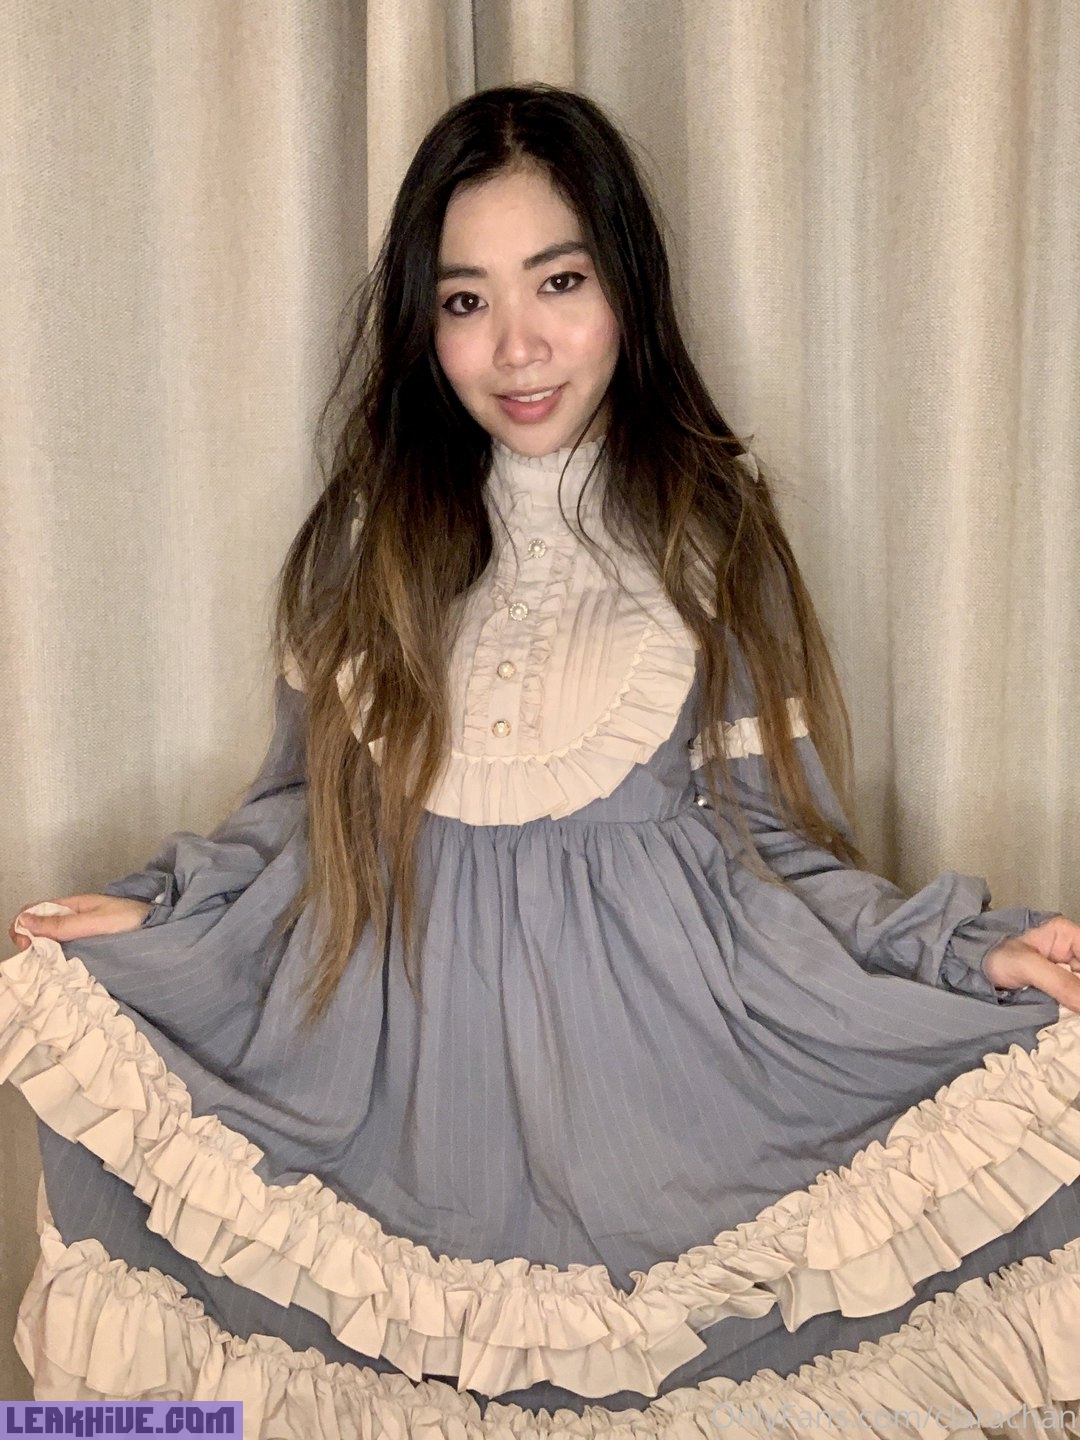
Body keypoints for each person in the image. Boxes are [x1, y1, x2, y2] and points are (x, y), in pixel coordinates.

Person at [4, 82, 1080, 1435]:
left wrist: (961, 958)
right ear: (424, 324)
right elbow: (297, 818)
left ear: (626, 286)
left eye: (558, 282)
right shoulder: (364, 544)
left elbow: (777, 848)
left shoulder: (708, 536)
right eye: (466, 300)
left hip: (669, 1098)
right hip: (395, 1099)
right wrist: (161, 917)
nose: (516, 345)